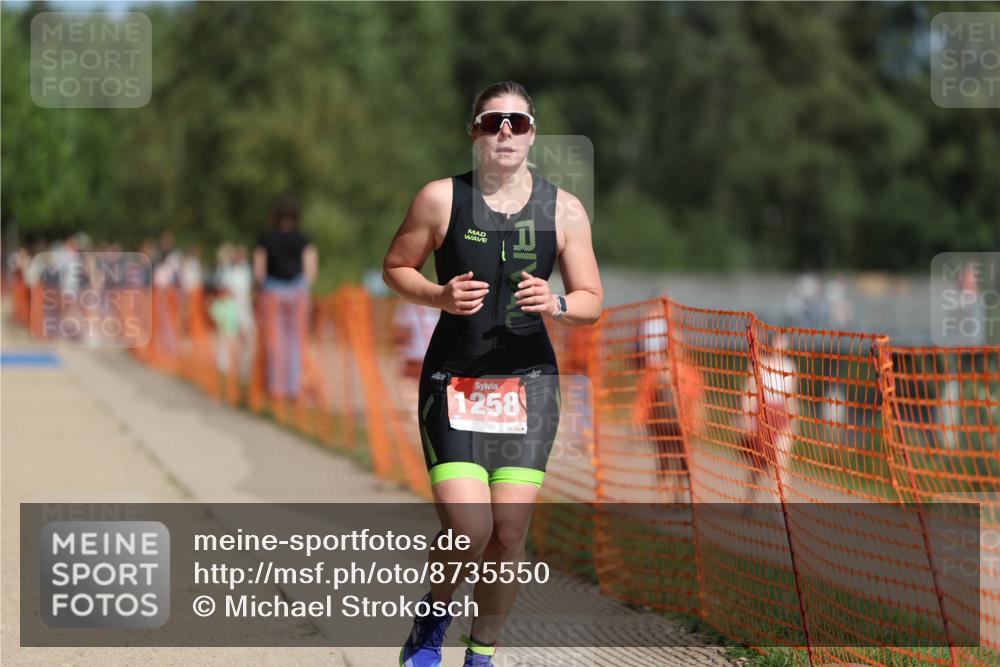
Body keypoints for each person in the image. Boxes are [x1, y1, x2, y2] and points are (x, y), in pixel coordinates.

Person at [382, 81, 603, 667]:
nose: (505, 131)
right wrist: (437, 294)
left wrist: (555, 304)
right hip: (454, 382)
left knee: (506, 534)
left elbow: (590, 299)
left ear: (533, 134)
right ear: (474, 131)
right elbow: (395, 266)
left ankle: (481, 652)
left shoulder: (564, 210)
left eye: (518, 122)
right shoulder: (439, 199)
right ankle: (431, 623)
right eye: (492, 121)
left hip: (529, 386)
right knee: (469, 529)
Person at [254, 194, 318, 410]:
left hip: (273, 291)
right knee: (296, 343)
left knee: (275, 343)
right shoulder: (304, 239)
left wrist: (263, 290)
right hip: (297, 291)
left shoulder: (265, 238)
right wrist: (303, 289)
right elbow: (310, 269)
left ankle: (276, 389)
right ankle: (293, 389)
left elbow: (259, 270)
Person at [737, 332, 798, 507]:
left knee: (781, 464)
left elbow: (791, 398)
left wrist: (792, 423)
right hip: (762, 416)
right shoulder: (759, 365)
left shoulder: (790, 368)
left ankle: (779, 506)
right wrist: (747, 418)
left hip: (781, 417)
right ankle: (749, 500)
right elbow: (749, 393)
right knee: (757, 465)